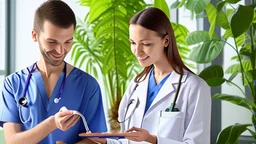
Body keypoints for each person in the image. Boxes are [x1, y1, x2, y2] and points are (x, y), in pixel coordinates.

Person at [89, 7, 211, 144]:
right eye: (133, 43)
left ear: (166, 41)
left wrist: (152, 139)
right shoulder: (136, 83)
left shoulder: (194, 87)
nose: (137, 51)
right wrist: (104, 141)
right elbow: (127, 141)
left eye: (146, 44)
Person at [0, 0, 107, 144]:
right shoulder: (13, 84)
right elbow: (12, 141)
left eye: (68, 42)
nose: (60, 50)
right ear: (34, 35)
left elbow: (98, 140)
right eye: (52, 42)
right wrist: (52, 123)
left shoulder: (88, 85)